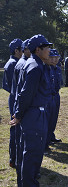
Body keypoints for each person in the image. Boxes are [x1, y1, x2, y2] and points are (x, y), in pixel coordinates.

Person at [9, 34, 52, 186]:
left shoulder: (34, 63)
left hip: (33, 114)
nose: (49, 50)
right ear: (38, 49)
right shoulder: (35, 67)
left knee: (26, 154)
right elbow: (26, 93)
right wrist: (19, 114)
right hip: (34, 116)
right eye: (46, 47)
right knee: (32, 155)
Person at [11, 39, 31, 181]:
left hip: (17, 100)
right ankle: (18, 164)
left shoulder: (20, 62)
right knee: (18, 137)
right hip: (19, 102)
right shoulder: (20, 64)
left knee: (18, 136)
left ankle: (17, 162)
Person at [2, 38, 23, 168]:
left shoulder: (15, 62)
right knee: (15, 129)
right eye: (22, 49)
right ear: (16, 50)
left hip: (16, 98)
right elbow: (10, 85)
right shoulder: (12, 64)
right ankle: (14, 159)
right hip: (15, 99)